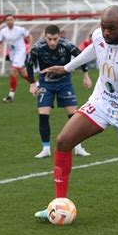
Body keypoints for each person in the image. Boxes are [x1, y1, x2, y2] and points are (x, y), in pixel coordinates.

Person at [34, 6, 118, 221]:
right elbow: (94, 48)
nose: (106, 32)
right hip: (103, 102)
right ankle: (59, 204)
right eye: (103, 27)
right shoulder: (100, 35)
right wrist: (67, 67)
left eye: (112, 28)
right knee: (63, 141)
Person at [26, 25, 92, 159]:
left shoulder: (67, 45)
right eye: (49, 39)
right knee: (43, 114)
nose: (52, 42)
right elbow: (29, 64)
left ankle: (78, 147)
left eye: (55, 39)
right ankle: (45, 148)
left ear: (59, 36)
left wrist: (86, 75)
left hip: (64, 83)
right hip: (46, 84)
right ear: (45, 37)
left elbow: (80, 57)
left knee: (74, 116)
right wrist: (32, 83)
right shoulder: (37, 48)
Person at [0, 14, 33, 103]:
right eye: (7, 20)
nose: (9, 21)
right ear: (5, 22)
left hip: (21, 52)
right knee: (23, 73)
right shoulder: (3, 31)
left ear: (14, 20)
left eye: (11, 19)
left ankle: (11, 96)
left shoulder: (20, 29)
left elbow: (29, 36)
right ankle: (37, 84)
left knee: (13, 71)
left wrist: (30, 47)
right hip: (13, 54)